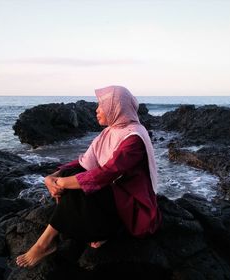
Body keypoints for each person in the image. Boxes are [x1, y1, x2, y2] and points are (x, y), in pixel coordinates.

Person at [16, 85, 161, 268]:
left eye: (101, 105)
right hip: (113, 196)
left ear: (115, 108)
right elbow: (84, 162)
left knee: (75, 186)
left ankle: (44, 243)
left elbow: (107, 174)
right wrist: (54, 176)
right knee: (71, 176)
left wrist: (62, 183)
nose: (96, 110)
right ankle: (93, 231)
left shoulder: (133, 137)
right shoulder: (110, 131)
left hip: (130, 203)